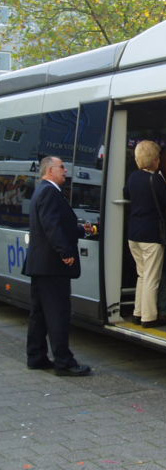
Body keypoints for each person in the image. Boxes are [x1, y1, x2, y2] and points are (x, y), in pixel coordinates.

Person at [23, 156, 93, 376]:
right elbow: (52, 226)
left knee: (40, 314)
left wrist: (84, 230)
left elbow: (60, 225)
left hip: (41, 265)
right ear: (50, 170)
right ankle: (64, 362)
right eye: (62, 167)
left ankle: (36, 356)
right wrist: (65, 252)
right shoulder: (49, 192)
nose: (66, 171)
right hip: (52, 266)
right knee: (58, 314)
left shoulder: (42, 191)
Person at [124, 140, 166, 329]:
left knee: (142, 275)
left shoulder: (133, 177)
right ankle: (149, 317)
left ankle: (138, 312)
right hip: (151, 234)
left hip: (133, 234)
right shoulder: (156, 179)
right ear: (154, 160)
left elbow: (126, 193)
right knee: (152, 277)